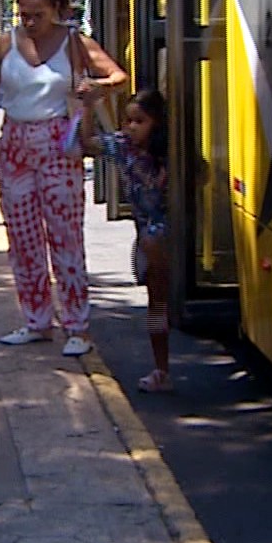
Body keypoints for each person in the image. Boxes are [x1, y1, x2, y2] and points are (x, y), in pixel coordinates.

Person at [0, 0, 127, 357]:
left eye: (38, 14)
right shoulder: (6, 44)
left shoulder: (75, 44)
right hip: (15, 143)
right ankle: (36, 320)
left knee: (65, 236)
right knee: (22, 238)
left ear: (58, 10)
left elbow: (118, 75)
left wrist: (97, 88)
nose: (30, 22)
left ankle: (77, 326)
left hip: (58, 143)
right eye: (23, 14)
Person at [83, 88, 172, 391]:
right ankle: (162, 369)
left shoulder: (171, 154)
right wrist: (87, 107)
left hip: (163, 231)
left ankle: (162, 369)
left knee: (158, 299)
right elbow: (87, 144)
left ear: (156, 124)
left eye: (140, 121)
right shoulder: (123, 147)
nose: (131, 127)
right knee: (155, 303)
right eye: (128, 120)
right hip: (145, 231)